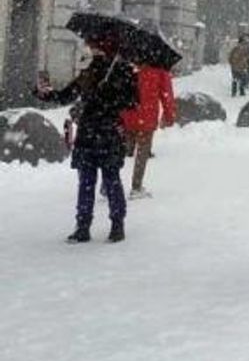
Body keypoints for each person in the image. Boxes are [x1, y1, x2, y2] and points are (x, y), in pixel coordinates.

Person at [38, 35, 139, 244]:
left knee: (98, 181)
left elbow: (131, 102)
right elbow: (68, 95)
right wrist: (45, 94)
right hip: (97, 132)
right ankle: (97, 225)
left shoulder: (120, 71)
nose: (92, 50)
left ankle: (104, 225)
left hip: (101, 132)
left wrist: (109, 94)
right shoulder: (95, 71)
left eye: (94, 46)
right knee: (99, 180)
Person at [121, 63, 176, 198]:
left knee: (118, 151)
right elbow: (166, 94)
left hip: (127, 115)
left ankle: (108, 183)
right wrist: (169, 115)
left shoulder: (126, 65)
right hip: (147, 117)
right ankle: (136, 186)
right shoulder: (159, 69)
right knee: (142, 153)